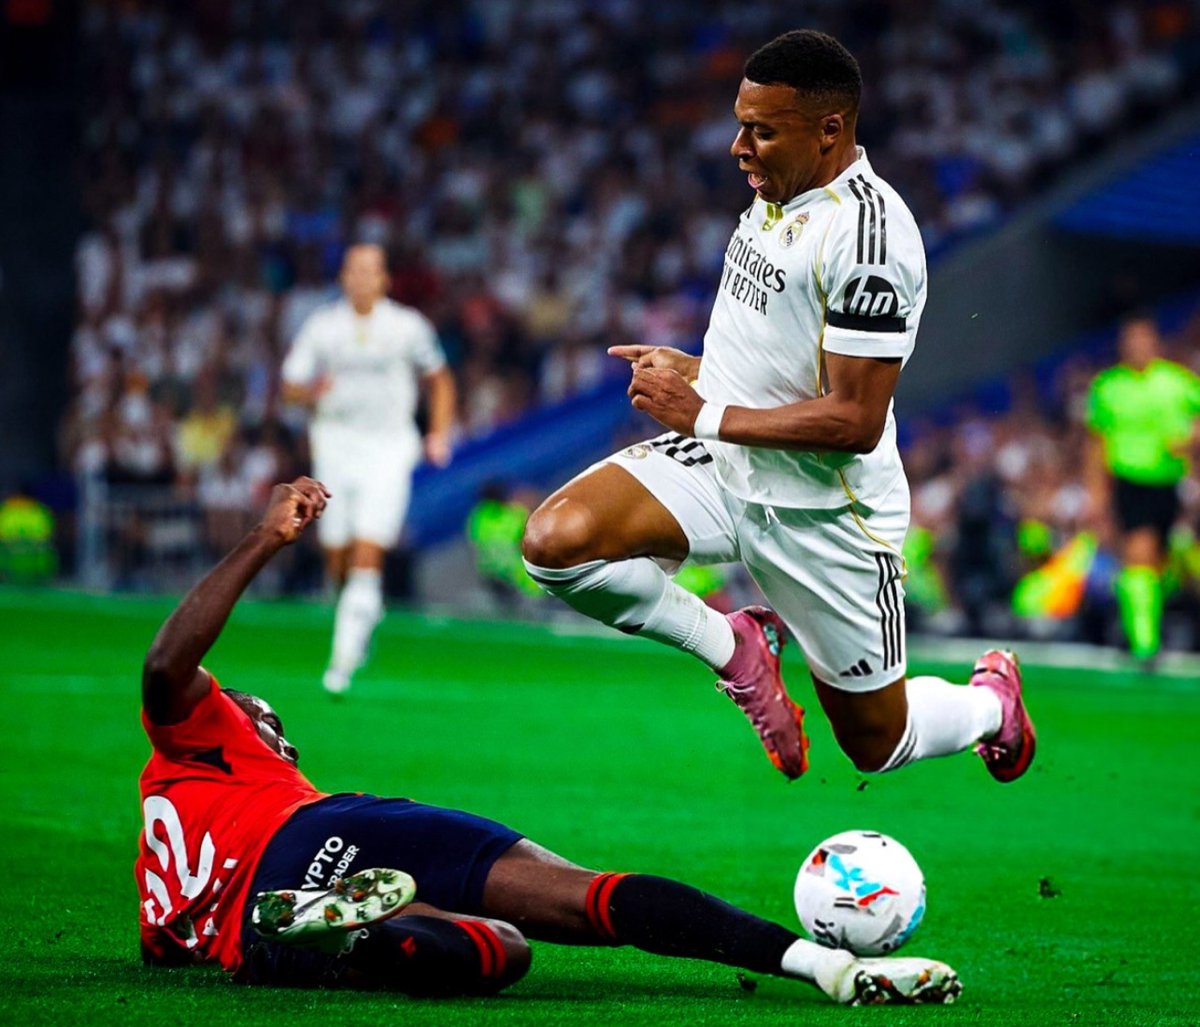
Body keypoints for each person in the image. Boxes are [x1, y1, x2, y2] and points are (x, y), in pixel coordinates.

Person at [136, 477, 961, 1005]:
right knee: (579, 898)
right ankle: (822, 966)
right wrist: (263, 537)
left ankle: (349, 933)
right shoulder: (209, 743)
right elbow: (169, 663)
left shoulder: (160, 882)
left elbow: (167, 945)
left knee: (499, 951)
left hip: (250, 933)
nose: (238, 705)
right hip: (319, 832)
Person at [522, 30, 1035, 783]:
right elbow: (777, 353)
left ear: (830, 130)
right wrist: (698, 371)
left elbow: (853, 421)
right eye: (740, 123)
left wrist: (700, 413)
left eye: (761, 129)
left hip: (825, 512)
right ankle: (738, 649)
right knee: (556, 543)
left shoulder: (869, 241)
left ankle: (992, 705)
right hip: (727, 464)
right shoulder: (775, 193)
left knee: (876, 742)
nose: (738, 146)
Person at [282, 244, 457, 695]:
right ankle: (361, 613)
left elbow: (439, 377)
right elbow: (290, 386)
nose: (362, 279)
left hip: (388, 449)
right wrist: (309, 391)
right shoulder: (323, 326)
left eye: (371, 271)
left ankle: (340, 664)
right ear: (343, 277)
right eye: (355, 270)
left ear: (384, 279)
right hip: (335, 447)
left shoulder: (406, 326)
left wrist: (437, 433)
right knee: (336, 553)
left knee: (367, 548)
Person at [1086, 313, 1200, 662]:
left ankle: (1146, 624)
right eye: (1131, 340)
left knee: (1162, 563)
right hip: (1130, 480)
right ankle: (1145, 644)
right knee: (1139, 553)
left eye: (1143, 339)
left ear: (1155, 342)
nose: (1137, 346)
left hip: (1170, 483)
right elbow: (1096, 444)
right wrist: (1096, 494)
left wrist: (1189, 440)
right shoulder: (1108, 387)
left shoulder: (1178, 382)